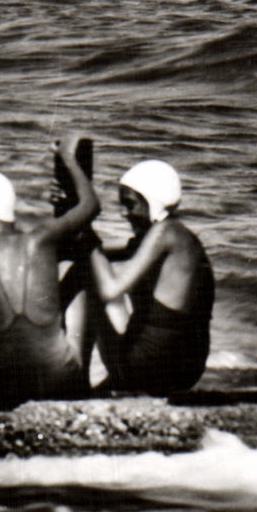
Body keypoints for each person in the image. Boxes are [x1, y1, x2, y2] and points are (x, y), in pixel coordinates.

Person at [0, 134, 100, 466]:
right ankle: (83, 380)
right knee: (81, 267)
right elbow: (91, 207)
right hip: (62, 382)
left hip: (5, 390)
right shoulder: (41, 239)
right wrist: (69, 160)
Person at [83, 160, 214, 395]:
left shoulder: (165, 233)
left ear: (152, 201)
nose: (125, 213)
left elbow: (110, 290)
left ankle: (82, 380)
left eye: (130, 205)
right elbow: (103, 252)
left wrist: (84, 228)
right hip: (187, 371)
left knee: (91, 277)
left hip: (151, 370)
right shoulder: (179, 236)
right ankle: (118, 379)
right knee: (93, 262)